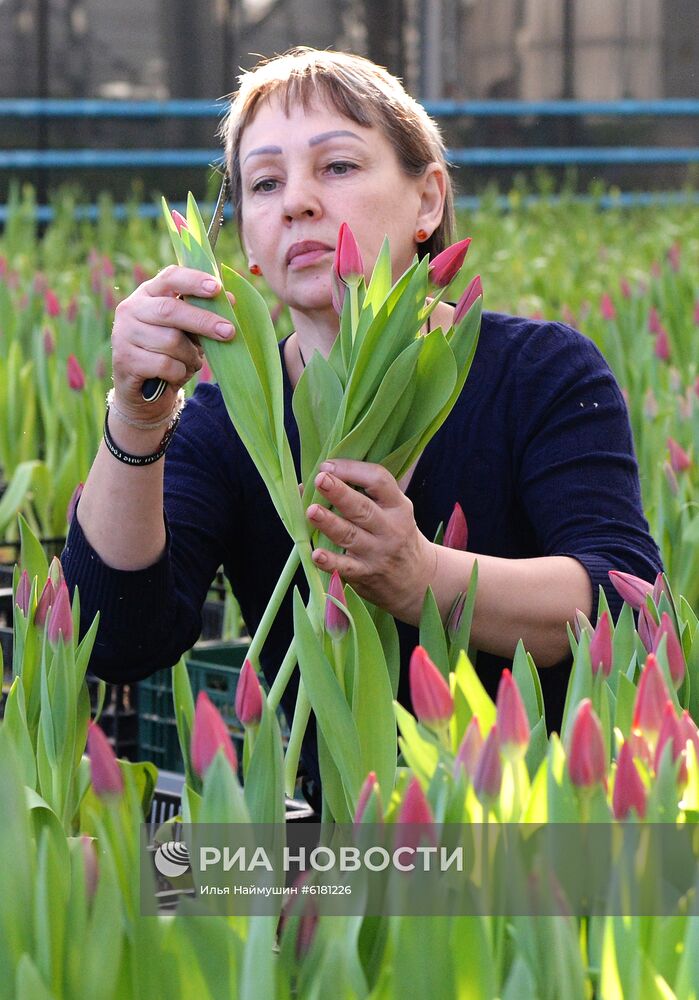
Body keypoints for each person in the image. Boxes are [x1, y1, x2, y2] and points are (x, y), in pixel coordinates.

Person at [62, 47, 662, 794]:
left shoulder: (536, 372)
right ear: (245, 235)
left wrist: (423, 578)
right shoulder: (225, 422)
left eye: (337, 167)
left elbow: (623, 596)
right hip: (336, 840)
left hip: (540, 823)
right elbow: (117, 639)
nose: (298, 202)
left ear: (428, 200)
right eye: (265, 182)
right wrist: (136, 416)